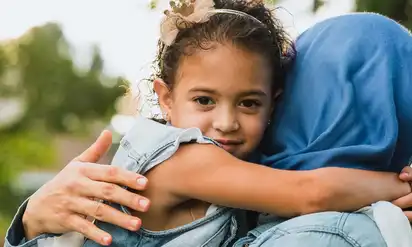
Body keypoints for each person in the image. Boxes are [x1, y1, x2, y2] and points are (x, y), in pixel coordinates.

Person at [4, 1, 412, 247]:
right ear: (164, 97)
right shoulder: (179, 157)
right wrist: (400, 187)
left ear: (276, 104)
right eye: (204, 100)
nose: (226, 122)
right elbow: (310, 193)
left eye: (249, 103)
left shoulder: (247, 170)